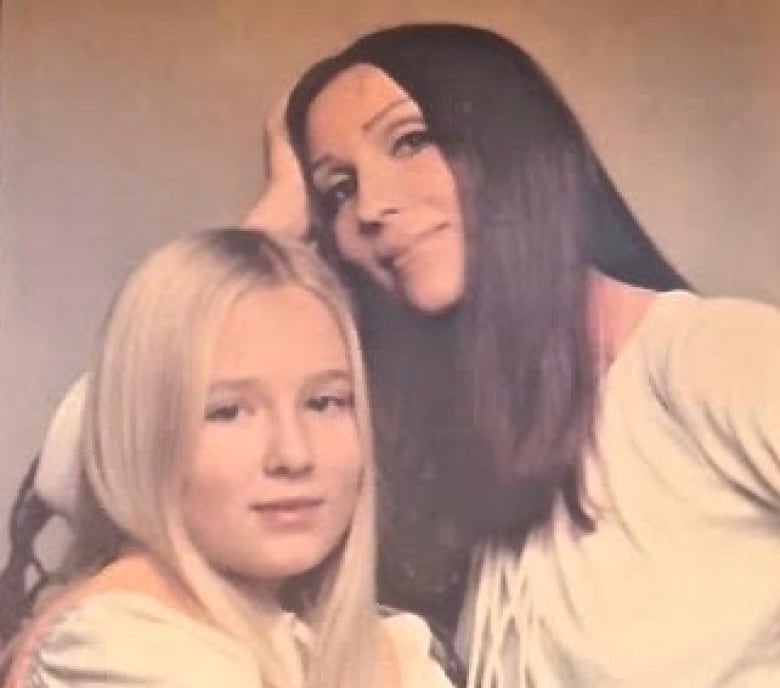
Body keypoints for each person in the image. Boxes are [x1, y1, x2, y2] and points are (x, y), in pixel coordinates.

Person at [245, 23, 780, 688]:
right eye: (338, 190)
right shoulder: (472, 446)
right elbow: (113, 465)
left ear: (511, 144)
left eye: (411, 141)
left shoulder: (708, 358)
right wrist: (270, 229)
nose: (373, 207)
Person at [3, 229, 455, 688]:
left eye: (324, 402)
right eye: (227, 412)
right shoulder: (120, 645)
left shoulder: (376, 650)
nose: (293, 454)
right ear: (144, 438)